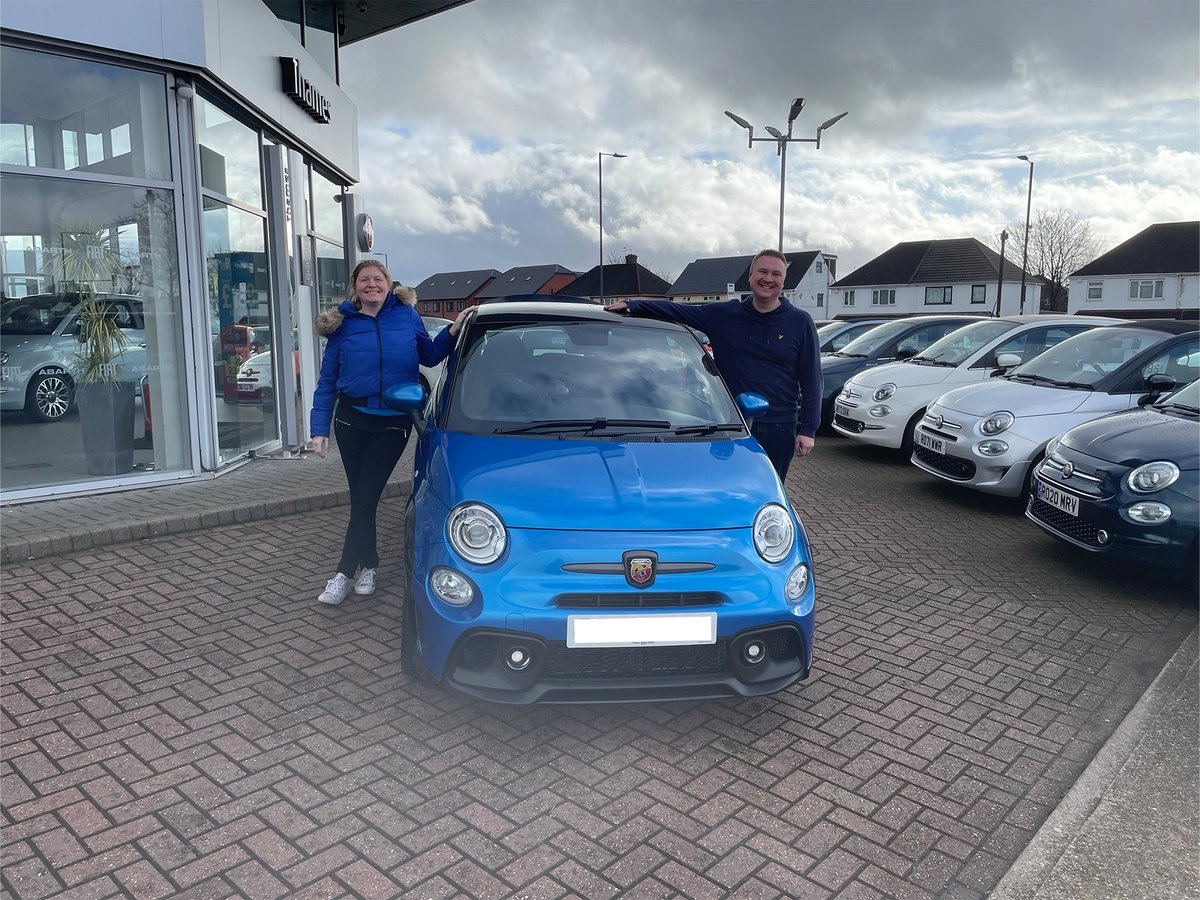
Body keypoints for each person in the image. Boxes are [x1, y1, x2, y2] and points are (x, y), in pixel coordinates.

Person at [310, 260, 467, 605]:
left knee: (365, 498)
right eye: (364, 280)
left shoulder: (406, 315)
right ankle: (368, 566)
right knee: (361, 501)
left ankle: (343, 572)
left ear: (388, 283)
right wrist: (318, 428)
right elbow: (327, 381)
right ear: (355, 286)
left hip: (393, 422)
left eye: (377, 279)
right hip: (350, 421)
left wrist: (452, 332)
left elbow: (429, 355)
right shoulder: (342, 324)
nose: (371, 285)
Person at [605, 249, 822, 482]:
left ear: (783, 281)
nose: (768, 279)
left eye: (776, 274)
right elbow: (678, 310)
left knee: (769, 487)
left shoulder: (800, 322)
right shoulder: (724, 315)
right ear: (750, 276)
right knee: (725, 485)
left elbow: (811, 378)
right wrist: (634, 305)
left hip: (778, 427)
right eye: (762, 271)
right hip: (727, 427)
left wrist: (808, 429)